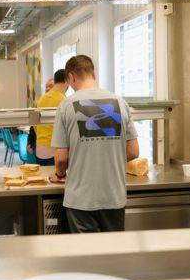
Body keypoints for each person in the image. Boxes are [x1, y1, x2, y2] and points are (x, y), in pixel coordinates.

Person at [49, 55, 139, 233]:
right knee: (112, 256)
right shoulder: (120, 102)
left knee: (87, 257)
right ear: (93, 73)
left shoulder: (66, 105)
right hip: (114, 197)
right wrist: (107, 156)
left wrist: (60, 175)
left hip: (81, 200)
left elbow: (61, 158)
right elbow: (133, 151)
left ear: (71, 77)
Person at [35, 69, 69, 166]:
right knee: (57, 179)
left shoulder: (42, 98)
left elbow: (35, 124)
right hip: (54, 149)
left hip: (40, 148)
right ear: (67, 81)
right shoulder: (63, 100)